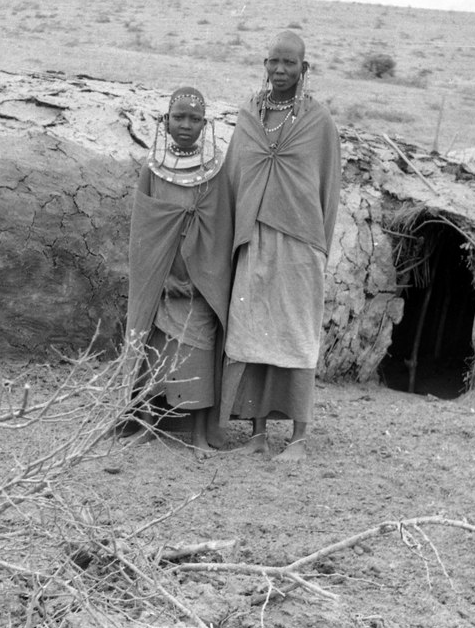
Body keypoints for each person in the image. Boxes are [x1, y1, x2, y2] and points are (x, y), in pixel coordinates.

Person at [219, 31, 341, 461]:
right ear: (264, 64)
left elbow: (328, 188)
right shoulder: (250, 115)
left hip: (300, 244)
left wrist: (319, 246)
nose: (281, 70)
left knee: (297, 335)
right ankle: (256, 435)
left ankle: (299, 438)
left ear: (304, 68)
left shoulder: (318, 121)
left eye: (290, 63)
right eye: (274, 62)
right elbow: (234, 177)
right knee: (252, 332)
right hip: (254, 239)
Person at [124, 86, 232, 451]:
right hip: (161, 282)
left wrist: (202, 280)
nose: (186, 125)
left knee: (199, 356)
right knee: (154, 352)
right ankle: (147, 424)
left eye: (195, 119)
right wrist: (160, 277)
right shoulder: (152, 170)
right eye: (178, 117)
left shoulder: (216, 170)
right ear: (165, 121)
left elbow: (218, 231)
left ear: (206, 124)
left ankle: (200, 434)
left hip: (200, 285)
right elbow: (145, 231)